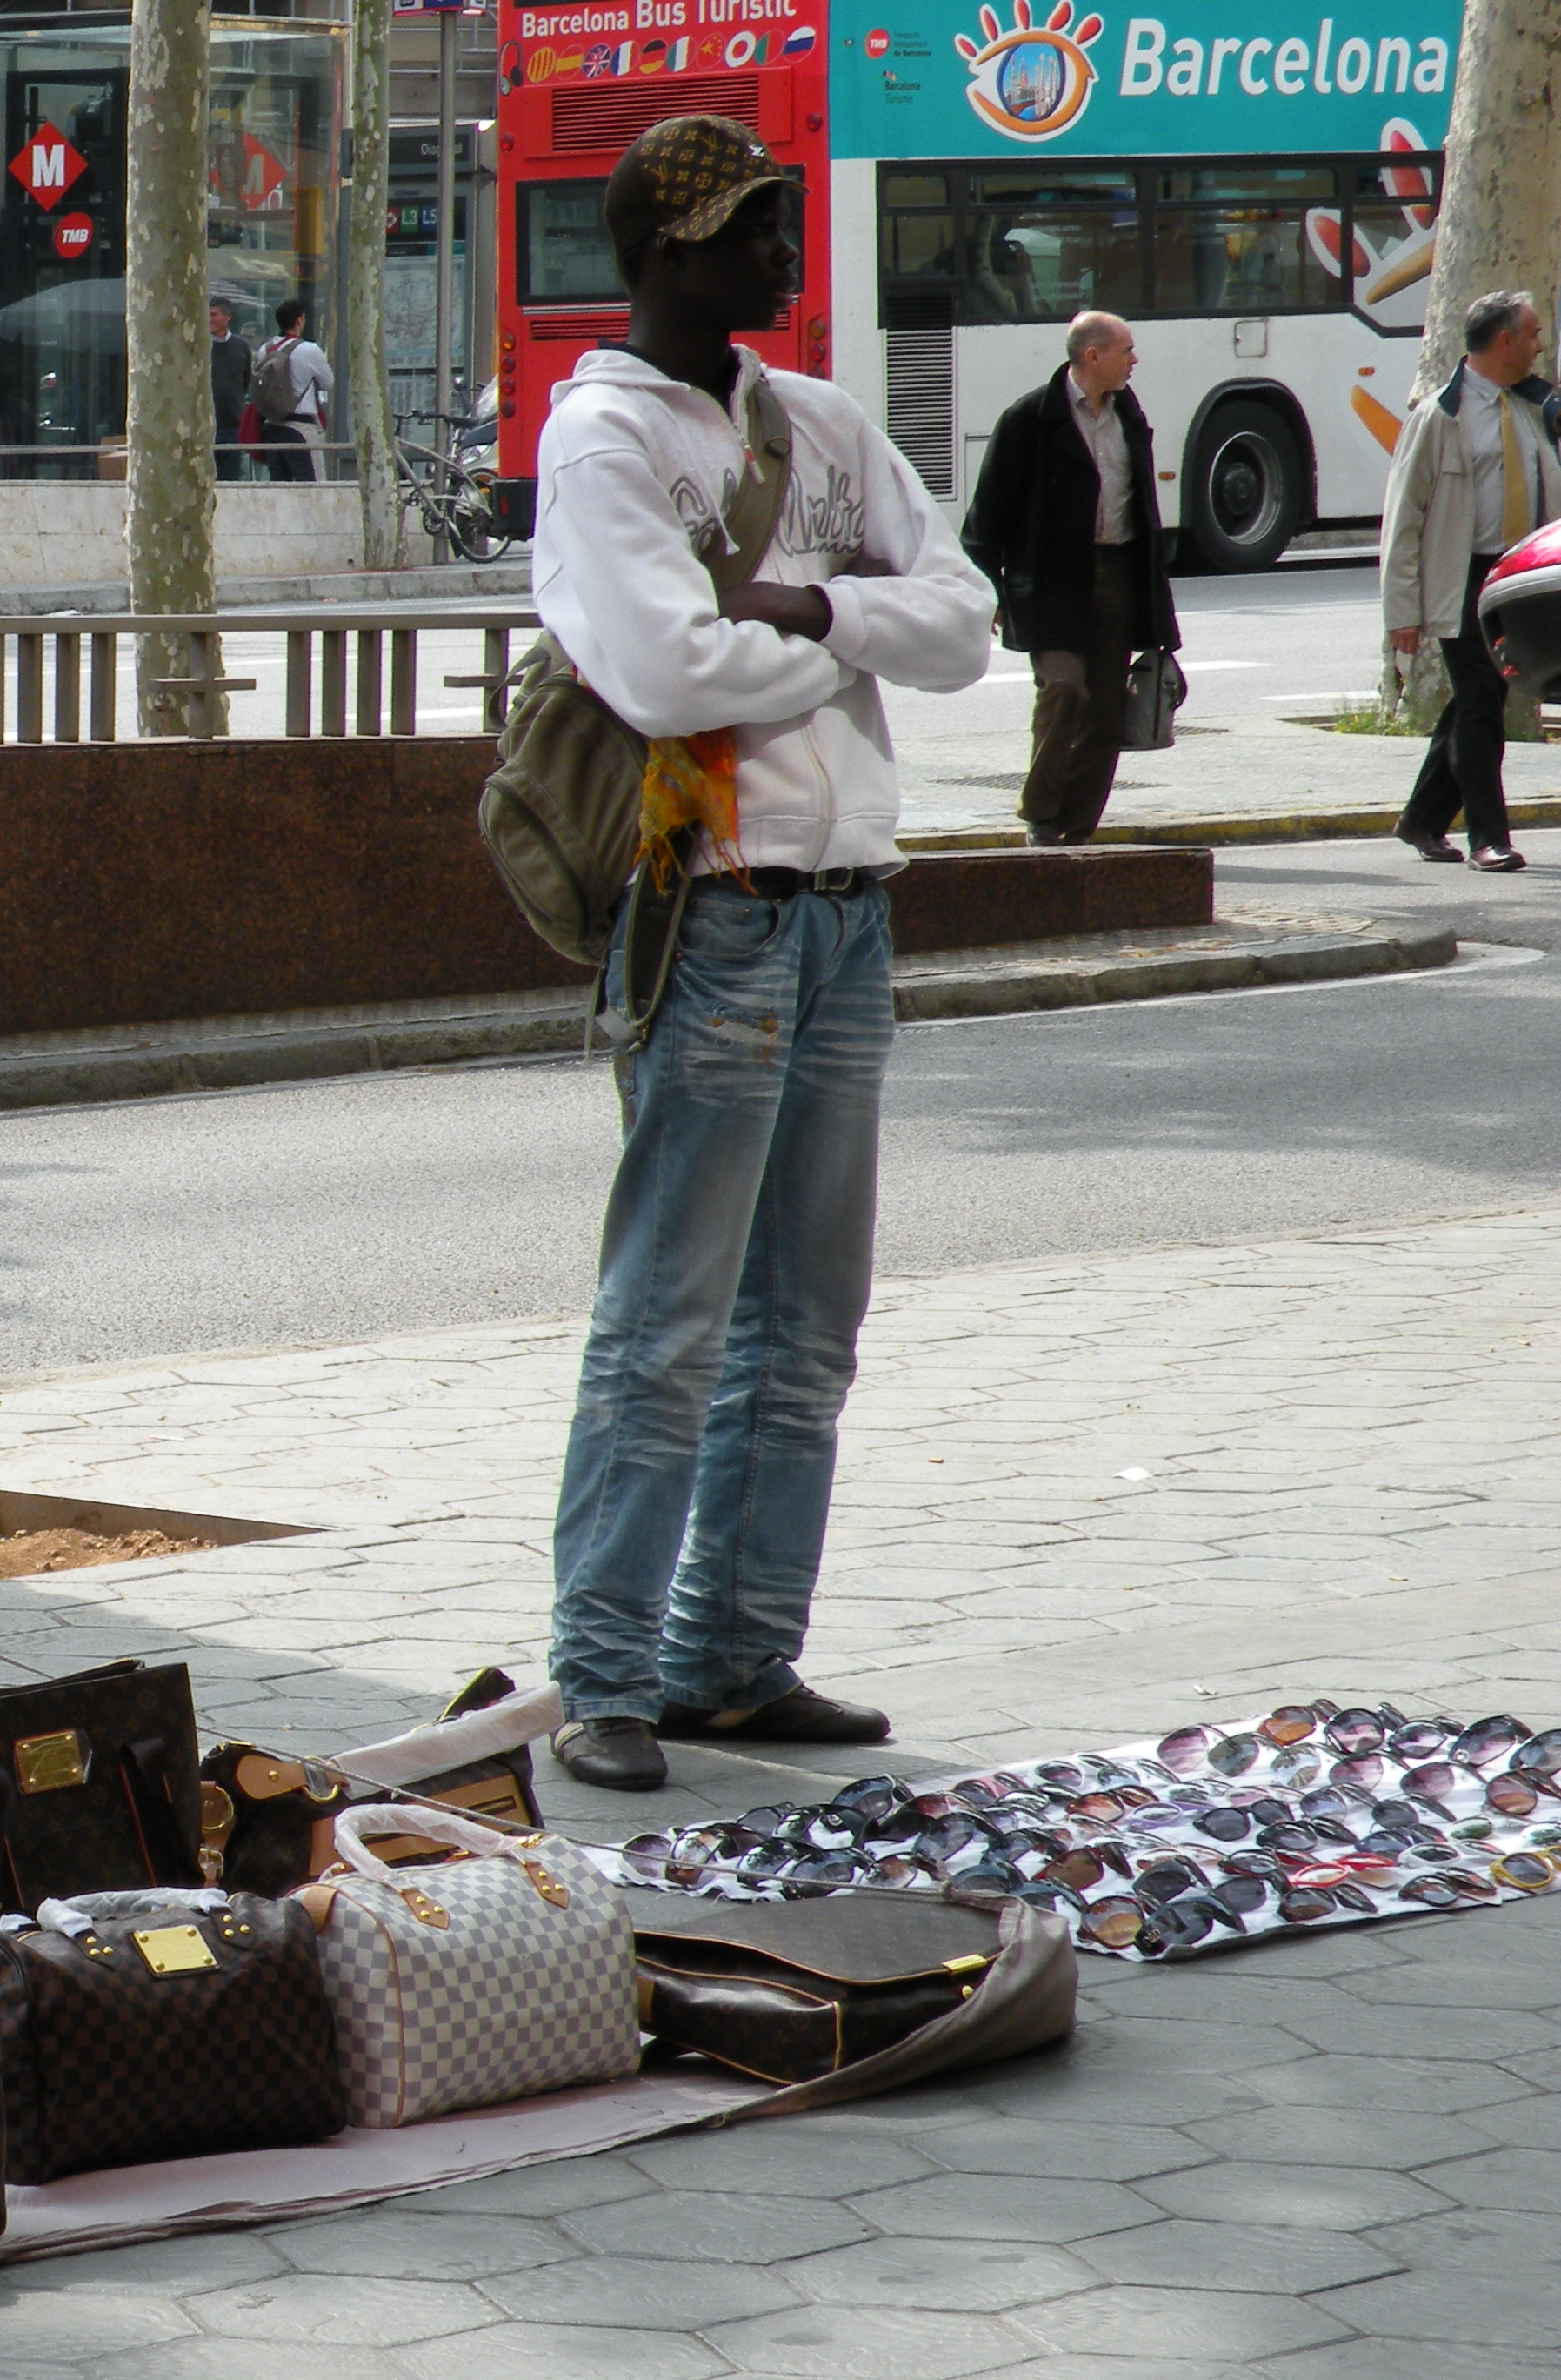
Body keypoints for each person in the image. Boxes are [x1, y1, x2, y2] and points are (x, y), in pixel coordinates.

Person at [530, 116, 994, 1792]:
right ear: (665, 254)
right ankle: (603, 1673)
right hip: (712, 908)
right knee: (667, 1321)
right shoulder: (598, 439)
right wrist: (846, 638)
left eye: (782, 223)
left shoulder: (821, 422)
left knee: (806, 1327)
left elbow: (963, 621)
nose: (782, 256)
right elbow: (663, 674)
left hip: (848, 913)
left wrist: (809, 615)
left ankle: (730, 1659)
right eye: (750, 230)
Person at [961, 311, 1179, 846]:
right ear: (1092, 356)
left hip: (1119, 573)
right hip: (1051, 581)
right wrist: (990, 589)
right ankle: (1041, 815)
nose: (1135, 360)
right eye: (1126, 350)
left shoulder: (1129, 413)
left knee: (1105, 710)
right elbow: (986, 517)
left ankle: (1076, 828)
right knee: (1063, 689)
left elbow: (1142, 506)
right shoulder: (1029, 418)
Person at [1387, 289, 1561, 872]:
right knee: (1483, 701)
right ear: (1504, 341)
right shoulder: (1440, 416)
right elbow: (1403, 518)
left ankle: (1422, 818)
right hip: (1460, 578)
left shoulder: (1536, 407)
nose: (1540, 346)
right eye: (1532, 334)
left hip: (1518, 578)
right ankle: (1488, 837)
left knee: (1478, 699)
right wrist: (1402, 612)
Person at [250, 298, 331, 482]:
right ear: (300, 320)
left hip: (271, 426)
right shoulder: (309, 349)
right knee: (313, 485)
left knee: (280, 485)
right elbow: (327, 383)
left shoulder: (265, 350)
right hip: (301, 426)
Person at [209, 296, 250, 482]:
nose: (210, 319)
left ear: (228, 317)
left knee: (230, 481)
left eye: (214, 314)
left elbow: (245, 381)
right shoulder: (200, 347)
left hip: (232, 426)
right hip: (205, 426)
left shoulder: (241, 347)